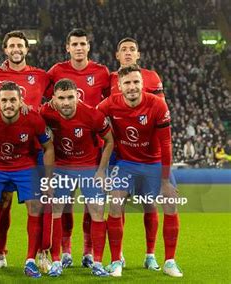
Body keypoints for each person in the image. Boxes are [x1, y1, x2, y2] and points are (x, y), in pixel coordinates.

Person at [97, 64, 182, 277]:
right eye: (127, 83)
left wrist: (164, 182)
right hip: (126, 163)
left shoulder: (157, 105)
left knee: (170, 203)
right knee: (115, 204)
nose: (132, 87)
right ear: (119, 86)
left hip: (154, 162)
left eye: (136, 82)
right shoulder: (109, 105)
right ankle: (116, 261)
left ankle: (169, 261)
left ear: (143, 84)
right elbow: (92, 122)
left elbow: (166, 145)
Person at [0, 81, 54, 278]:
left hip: (24, 166)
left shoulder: (33, 119)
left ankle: (30, 261)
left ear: (21, 101)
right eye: (4, 100)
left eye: (13, 100)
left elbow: (48, 146)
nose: (9, 105)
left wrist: (48, 179)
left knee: (35, 206)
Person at [0, 30, 51, 271]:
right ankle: (0, 254)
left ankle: (41, 253)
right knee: (3, 202)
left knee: (41, 202)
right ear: (5, 49)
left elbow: (59, 99)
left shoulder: (41, 76)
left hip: (35, 149)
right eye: (11, 45)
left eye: (20, 46)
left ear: (27, 49)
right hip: (4, 149)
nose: (16, 49)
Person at [47, 28, 110, 268]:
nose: (79, 48)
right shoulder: (56, 71)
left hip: (92, 148)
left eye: (83, 43)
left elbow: (110, 102)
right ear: (68, 47)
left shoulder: (102, 72)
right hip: (64, 151)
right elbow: (45, 102)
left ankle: (90, 252)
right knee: (64, 205)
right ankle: (65, 251)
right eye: (75, 44)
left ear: (88, 46)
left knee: (93, 205)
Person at [40, 78, 114, 277]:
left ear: (78, 97)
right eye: (61, 98)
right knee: (58, 210)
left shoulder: (92, 114)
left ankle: (96, 261)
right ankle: (59, 259)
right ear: (53, 99)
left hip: (89, 168)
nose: (66, 102)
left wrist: (101, 171)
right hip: (62, 168)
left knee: (97, 211)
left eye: (70, 97)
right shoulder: (45, 112)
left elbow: (109, 141)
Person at [110, 37, 167, 270]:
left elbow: (161, 113)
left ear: (139, 54)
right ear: (117, 55)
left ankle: (150, 255)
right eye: (123, 49)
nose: (128, 53)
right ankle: (118, 255)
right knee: (117, 203)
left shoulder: (151, 76)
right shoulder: (110, 79)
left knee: (149, 205)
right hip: (119, 153)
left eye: (132, 49)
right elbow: (103, 109)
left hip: (147, 155)